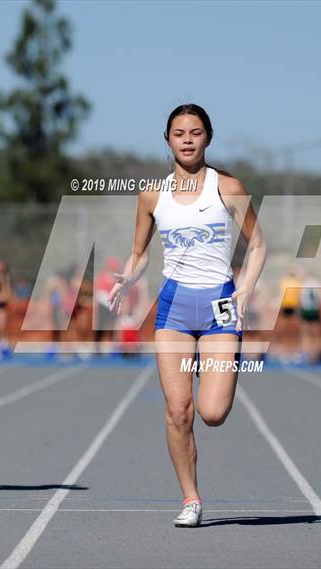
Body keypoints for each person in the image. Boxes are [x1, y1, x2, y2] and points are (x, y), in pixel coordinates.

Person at [108, 104, 267, 527]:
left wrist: (245, 289)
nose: (188, 139)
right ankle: (191, 498)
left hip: (219, 307)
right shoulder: (151, 196)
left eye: (195, 132)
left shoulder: (228, 187)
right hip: (175, 310)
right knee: (179, 411)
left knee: (212, 412)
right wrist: (127, 277)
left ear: (207, 138)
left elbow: (258, 245)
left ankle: (215, 364)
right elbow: (139, 253)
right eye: (179, 133)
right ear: (167, 140)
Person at [299, 273, 321, 363]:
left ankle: (306, 355)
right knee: (317, 335)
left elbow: (299, 299)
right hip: (315, 311)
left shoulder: (304, 283)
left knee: (306, 335)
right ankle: (316, 356)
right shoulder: (319, 284)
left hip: (306, 310)